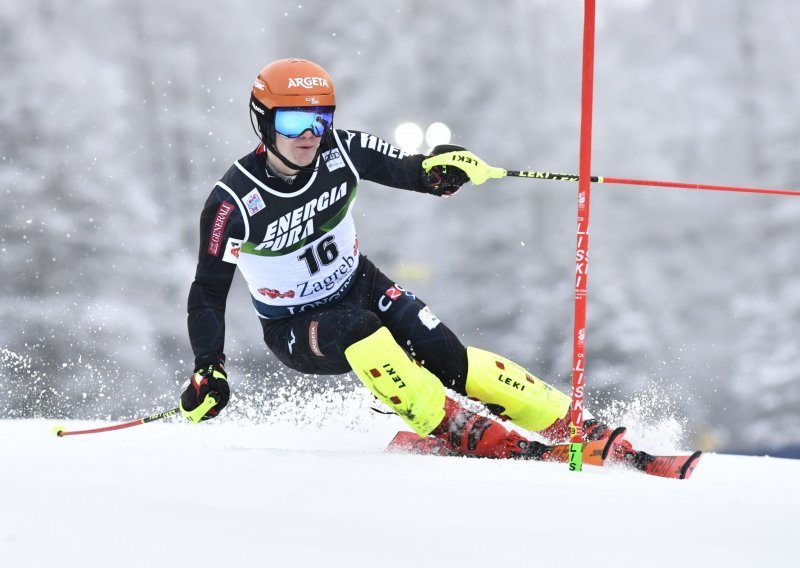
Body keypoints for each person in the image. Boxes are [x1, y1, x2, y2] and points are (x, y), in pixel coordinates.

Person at [180, 57, 635, 463]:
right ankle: (459, 429)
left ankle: (576, 424)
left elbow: (413, 170)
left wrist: (443, 172)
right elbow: (207, 291)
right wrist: (209, 366)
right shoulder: (232, 203)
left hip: (361, 285)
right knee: (362, 333)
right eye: (295, 121)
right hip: (297, 325)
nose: (309, 137)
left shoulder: (344, 151)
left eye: (320, 120)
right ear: (264, 122)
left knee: (451, 360)